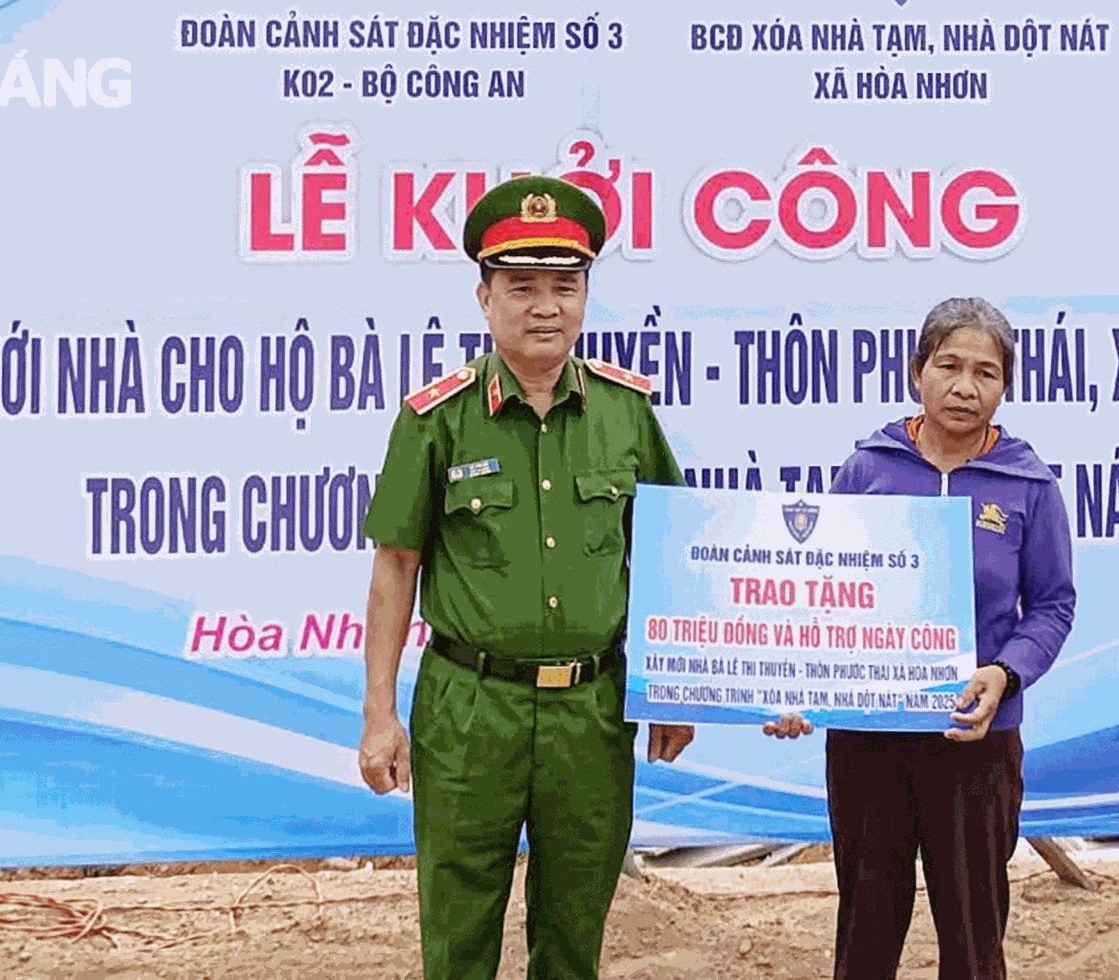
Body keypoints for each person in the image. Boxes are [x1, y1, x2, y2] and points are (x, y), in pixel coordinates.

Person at [356, 175, 696, 980]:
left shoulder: (625, 413)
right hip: (471, 711)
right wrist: (379, 712)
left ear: (585, 297)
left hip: (592, 711)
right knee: (458, 931)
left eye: (564, 287)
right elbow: (395, 566)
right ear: (485, 297)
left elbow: (666, 551)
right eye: (522, 287)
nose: (546, 307)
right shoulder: (436, 419)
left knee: (575, 929)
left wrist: (673, 689)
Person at [764, 297, 1075, 980]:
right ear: (917, 372)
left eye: (986, 373)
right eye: (949, 366)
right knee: (867, 929)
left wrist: (1005, 673)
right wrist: (797, 688)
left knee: (974, 936)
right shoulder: (867, 471)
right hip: (869, 743)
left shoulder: (1028, 485)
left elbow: (1052, 605)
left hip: (976, 741)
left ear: (1005, 387)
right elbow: (821, 596)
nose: (965, 387)